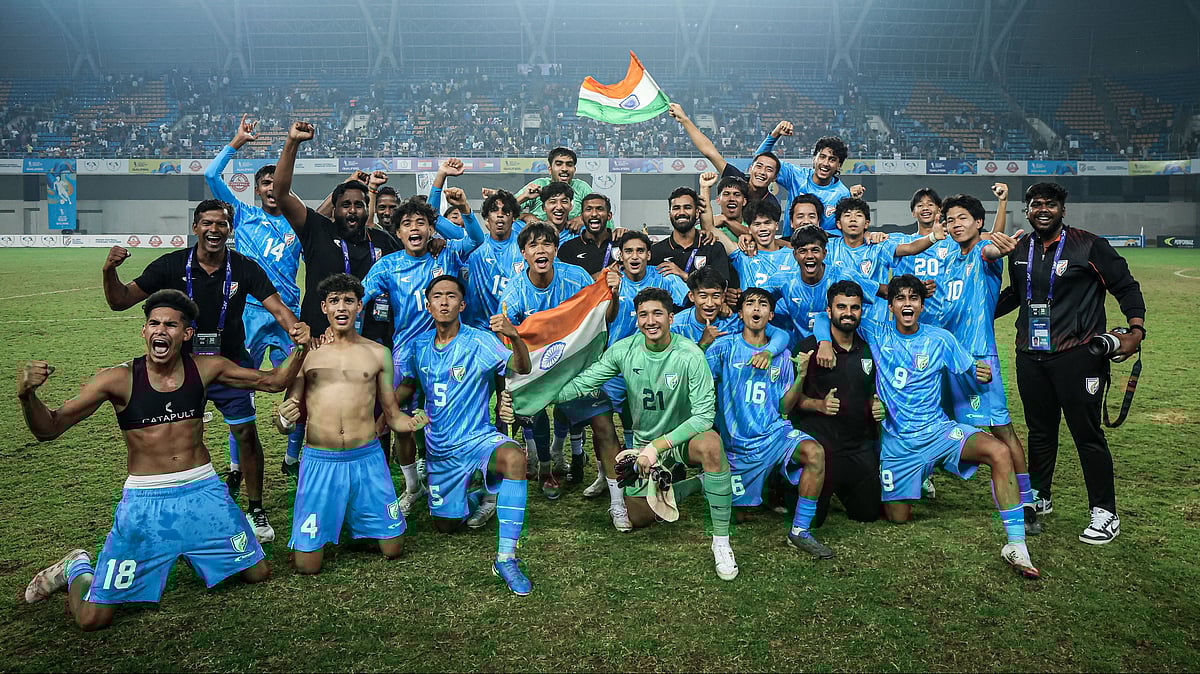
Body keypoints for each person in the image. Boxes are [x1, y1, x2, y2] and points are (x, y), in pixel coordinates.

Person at [21, 289, 311, 630]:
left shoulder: (206, 368)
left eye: (171, 325)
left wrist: (302, 347)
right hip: (146, 502)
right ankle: (76, 567)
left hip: (203, 491)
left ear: (186, 334)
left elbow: (274, 381)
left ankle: (190, 545)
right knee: (92, 619)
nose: (161, 330)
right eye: (153, 323)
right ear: (144, 331)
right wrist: (27, 395)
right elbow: (49, 428)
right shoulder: (118, 379)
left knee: (257, 572)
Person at [813, 275, 1040, 579]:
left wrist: (978, 371)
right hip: (899, 444)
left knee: (999, 452)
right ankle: (916, 476)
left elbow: (970, 369)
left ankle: (1016, 544)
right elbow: (819, 318)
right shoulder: (875, 332)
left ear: (921, 305)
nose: (907, 304)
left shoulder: (940, 338)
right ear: (890, 306)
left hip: (938, 432)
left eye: (914, 299)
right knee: (898, 518)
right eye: (901, 299)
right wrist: (825, 342)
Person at [101, 200, 298, 542]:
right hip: (181, 368)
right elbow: (121, 300)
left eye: (221, 224)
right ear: (195, 227)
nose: (214, 230)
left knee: (246, 434)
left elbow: (278, 308)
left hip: (230, 364)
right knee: (173, 438)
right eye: (207, 223)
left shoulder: (244, 267)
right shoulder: (171, 265)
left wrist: (298, 331)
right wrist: (108, 271)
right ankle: (174, 504)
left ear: (229, 230)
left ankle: (255, 509)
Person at [554, 288, 739, 580]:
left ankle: (721, 543)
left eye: (657, 314)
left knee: (712, 447)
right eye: (643, 314)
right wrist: (537, 398)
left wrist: (659, 445)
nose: (650, 321)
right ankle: (695, 484)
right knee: (639, 517)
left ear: (671, 317)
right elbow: (583, 383)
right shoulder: (624, 350)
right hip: (643, 446)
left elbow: (704, 416)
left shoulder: (690, 354)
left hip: (681, 440)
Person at [996, 182, 1145, 545]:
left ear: (1062, 209)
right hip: (1030, 354)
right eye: (1035, 205)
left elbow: (1125, 286)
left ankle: (1105, 513)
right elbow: (1017, 294)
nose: (1042, 210)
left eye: (1050, 204)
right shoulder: (1021, 248)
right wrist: (974, 315)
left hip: (1078, 355)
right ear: (1027, 210)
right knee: (1041, 432)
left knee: (1087, 434)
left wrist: (1136, 330)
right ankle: (1041, 496)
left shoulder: (1088, 244)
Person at [275, 275, 428, 576]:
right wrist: (283, 419)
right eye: (334, 301)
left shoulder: (377, 353)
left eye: (348, 301)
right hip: (320, 459)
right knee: (308, 566)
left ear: (360, 306)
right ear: (324, 308)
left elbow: (391, 412)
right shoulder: (308, 354)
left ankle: (356, 516)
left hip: (367, 458)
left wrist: (410, 424)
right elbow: (286, 417)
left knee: (394, 549)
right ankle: (337, 515)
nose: (341, 307)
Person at [273, 121, 400, 474]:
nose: (353, 211)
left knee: (376, 410)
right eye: (346, 204)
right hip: (319, 339)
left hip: (373, 339)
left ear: (368, 208)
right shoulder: (317, 230)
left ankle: (379, 472)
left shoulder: (383, 242)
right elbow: (282, 193)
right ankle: (309, 466)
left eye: (360, 204)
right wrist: (292, 142)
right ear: (337, 206)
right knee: (316, 409)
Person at [395, 275, 534, 595]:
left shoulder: (480, 341)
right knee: (447, 525)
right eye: (438, 296)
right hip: (440, 450)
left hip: (478, 440)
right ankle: (483, 494)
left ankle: (506, 558)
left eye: (451, 296)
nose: (444, 301)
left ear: (462, 304)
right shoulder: (418, 348)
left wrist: (515, 336)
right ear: (427, 305)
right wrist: (385, 415)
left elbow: (521, 367)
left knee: (514, 457)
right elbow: (408, 387)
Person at [362, 184, 485, 514]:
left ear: (431, 228)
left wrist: (462, 210)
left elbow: (475, 240)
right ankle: (412, 486)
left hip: (449, 352)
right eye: (407, 224)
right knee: (400, 420)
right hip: (406, 353)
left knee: (447, 419)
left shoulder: (444, 253)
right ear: (399, 233)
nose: (414, 229)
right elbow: (360, 300)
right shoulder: (387, 266)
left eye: (421, 223)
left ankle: (459, 477)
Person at [203, 114, 307, 487]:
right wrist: (236, 142)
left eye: (274, 183)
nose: (269, 188)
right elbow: (212, 178)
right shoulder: (243, 215)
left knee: (300, 387)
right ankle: (235, 467)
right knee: (238, 391)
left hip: (287, 317)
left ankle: (292, 458)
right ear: (259, 190)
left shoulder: (299, 224)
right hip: (245, 315)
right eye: (264, 183)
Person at [500, 223, 623, 519]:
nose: (540, 250)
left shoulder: (576, 276)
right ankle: (545, 468)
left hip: (575, 364)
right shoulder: (514, 288)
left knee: (603, 423)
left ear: (555, 249)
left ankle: (618, 498)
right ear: (523, 254)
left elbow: (602, 316)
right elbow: (510, 337)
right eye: (533, 245)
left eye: (546, 244)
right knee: (532, 407)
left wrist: (614, 294)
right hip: (537, 368)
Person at [706, 288, 833, 559]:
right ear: (740, 313)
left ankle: (799, 531)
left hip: (775, 435)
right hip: (738, 444)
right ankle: (764, 486)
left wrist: (800, 377)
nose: (756, 308)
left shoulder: (784, 356)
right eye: (749, 304)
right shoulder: (724, 348)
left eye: (762, 304)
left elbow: (784, 408)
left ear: (771, 314)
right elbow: (701, 384)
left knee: (815, 453)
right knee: (736, 518)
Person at [938, 192, 1037, 532]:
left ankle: (1027, 501)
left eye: (962, 218)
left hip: (980, 357)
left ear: (978, 222)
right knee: (937, 421)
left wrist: (1003, 213)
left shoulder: (983, 252)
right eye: (950, 220)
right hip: (950, 361)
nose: (955, 225)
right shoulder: (950, 258)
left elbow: (994, 247)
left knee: (1001, 428)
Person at [787, 281, 883, 526]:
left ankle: (844, 486)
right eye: (841, 307)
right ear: (829, 312)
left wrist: (879, 405)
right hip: (821, 446)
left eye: (854, 308)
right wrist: (818, 405)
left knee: (868, 514)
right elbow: (788, 404)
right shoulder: (808, 348)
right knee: (814, 520)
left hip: (857, 446)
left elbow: (876, 390)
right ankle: (784, 484)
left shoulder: (869, 348)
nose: (848, 313)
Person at [760, 226, 882, 349]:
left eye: (815, 250)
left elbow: (884, 292)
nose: (809, 256)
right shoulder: (783, 280)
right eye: (803, 251)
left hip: (839, 352)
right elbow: (753, 299)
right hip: (799, 350)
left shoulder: (843, 276)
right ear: (795, 255)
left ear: (824, 254)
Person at [824, 197, 942, 321]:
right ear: (838, 223)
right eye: (847, 215)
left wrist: (933, 237)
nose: (853, 219)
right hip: (840, 321)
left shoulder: (879, 247)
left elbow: (911, 248)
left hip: (875, 324)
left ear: (866, 223)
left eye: (858, 215)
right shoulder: (829, 248)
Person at [668, 103, 781, 228]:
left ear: (774, 178)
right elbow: (710, 152)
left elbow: (761, 235)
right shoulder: (737, 180)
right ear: (751, 169)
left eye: (769, 169)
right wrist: (684, 120)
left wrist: (725, 220)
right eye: (759, 166)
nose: (762, 172)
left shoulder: (772, 204)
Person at [755, 122, 866, 236]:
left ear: (839, 165)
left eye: (832, 159)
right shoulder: (796, 176)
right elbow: (761, 159)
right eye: (822, 157)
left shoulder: (842, 194)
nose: (825, 163)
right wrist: (775, 134)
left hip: (821, 250)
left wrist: (820, 234)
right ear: (814, 159)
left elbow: (844, 229)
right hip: (789, 246)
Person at [700, 172, 793, 290]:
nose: (763, 228)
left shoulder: (792, 255)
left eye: (767, 223)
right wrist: (704, 188)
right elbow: (708, 227)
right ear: (749, 229)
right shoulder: (742, 255)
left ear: (776, 225)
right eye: (757, 224)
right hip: (747, 307)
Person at [649, 187, 736, 291]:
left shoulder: (713, 247)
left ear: (697, 213)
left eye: (687, 207)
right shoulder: (656, 251)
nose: (682, 212)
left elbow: (720, 287)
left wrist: (684, 275)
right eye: (676, 208)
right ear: (669, 215)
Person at [511, 147, 592, 222]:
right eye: (559, 164)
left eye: (569, 165)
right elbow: (504, 211)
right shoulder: (538, 185)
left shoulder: (582, 187)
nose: (564, 169)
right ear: (550, 169)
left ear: (574, 170)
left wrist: (581, 219)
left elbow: (600, 210)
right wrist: (524, 205)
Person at [557, 193, 621, 275]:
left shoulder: (621, 243)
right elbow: (564, 282)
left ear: (609, 216)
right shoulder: (568, 248)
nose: (594, 214)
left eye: (599, 209)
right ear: (582, 216)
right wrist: (596, 278)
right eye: (588, 209)